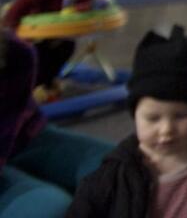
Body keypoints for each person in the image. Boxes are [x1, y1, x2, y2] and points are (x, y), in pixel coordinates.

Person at [68, 25, 187, 218]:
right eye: (153, 118)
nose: (166, 129)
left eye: (181, 116)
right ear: (134, 113)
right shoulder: (111, 177)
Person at [0, 32, 113, 216]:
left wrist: (55, 46)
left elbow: (12, 119)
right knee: (50, 208)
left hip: (23, 136)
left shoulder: (17, 53)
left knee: (126, 168)